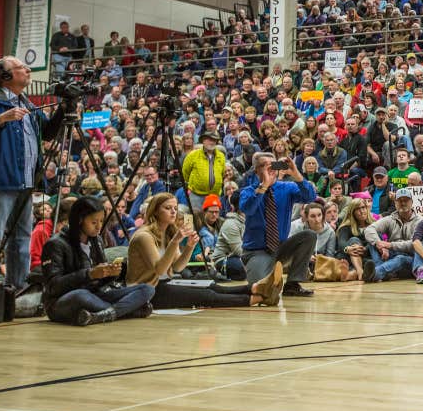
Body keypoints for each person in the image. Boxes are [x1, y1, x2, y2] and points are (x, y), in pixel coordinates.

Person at [127, 193, 282, 308]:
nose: (173, 212)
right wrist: (176, 241)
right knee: (206, 295)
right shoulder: (144, 236)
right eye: (168, 208)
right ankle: (261, 298)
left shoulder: (168, 233)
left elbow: (177, 267)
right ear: (155, 211)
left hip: (164, 283)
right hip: (145, 292)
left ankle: (256, 287)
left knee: (211, 285)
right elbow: (160, 269)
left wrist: (189, 246)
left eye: (175, 208)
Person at [0, 56, 67, 288]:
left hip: (26, 183)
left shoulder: (29, 105)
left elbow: (49, 133)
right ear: (5, 76)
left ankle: (18, 288)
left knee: (21, 238)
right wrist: (0, 119)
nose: (28, 69)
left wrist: (63, 111)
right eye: (21, 67)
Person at [41, 197, 155, 326]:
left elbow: (100, 283)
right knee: (81, 295)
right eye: (94, 222)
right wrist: (89, 274)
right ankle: (124, 311)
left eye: (101, 221)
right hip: (62, 300)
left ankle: (103, 314)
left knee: (147, 289)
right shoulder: (55, 244)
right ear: (79, 220)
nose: (99, 227)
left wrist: (112, 273)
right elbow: (52, 286)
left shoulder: (97, 240)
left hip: (95, 295)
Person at [237, 152, 319, 297]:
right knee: (260, 291)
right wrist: (264, 186)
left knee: (309, 236)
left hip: (281, 247)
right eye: (264, 165)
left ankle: (292, 284)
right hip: (257, 251)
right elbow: (248, 208)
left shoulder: (287, 187)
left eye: (273, 165)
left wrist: (296, 174)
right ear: (256, 170)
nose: (270, 169)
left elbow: (310, 197)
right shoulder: (247, 191)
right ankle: (268, 273)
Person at [362, 188, 423, 282]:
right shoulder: (390, 219)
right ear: (395, 203)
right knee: (373, 239)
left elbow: (414, 244)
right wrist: (379, 244)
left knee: (401, 258)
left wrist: (390, 245)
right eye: (400, 200)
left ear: (411, 202)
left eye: (406, 200)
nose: (403, 203)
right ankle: (381, 270)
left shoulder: (421, 221)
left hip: (411, 258)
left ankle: (376, 274)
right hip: (391, 255)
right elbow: (369, 229)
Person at [181, 131, 226, 213]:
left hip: (214, 195)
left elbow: (222, 173)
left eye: (214, 140)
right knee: (194, 218)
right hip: (196, 194)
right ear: (203, 141)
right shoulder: (193, 155)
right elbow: (185, 173)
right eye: (209, 140)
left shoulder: (221, 156)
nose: (212, 142)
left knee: (212, 219)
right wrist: (194, 184)